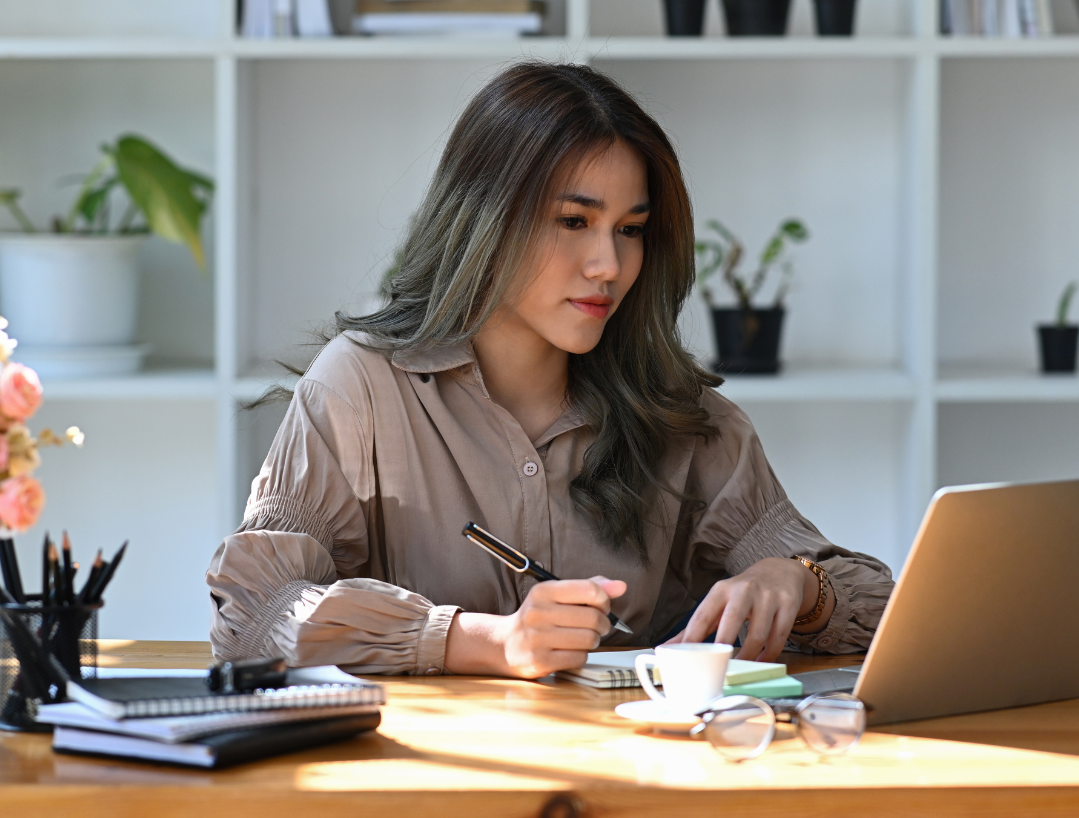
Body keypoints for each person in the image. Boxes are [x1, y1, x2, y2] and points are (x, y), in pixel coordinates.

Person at [207, 62, 894, 679]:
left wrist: (797, 582)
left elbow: (886, 609)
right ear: (486, 219)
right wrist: (483, 640)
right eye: (574, 221)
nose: (609, 265)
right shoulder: (360, 388)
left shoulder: (680, 414)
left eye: (630, 229)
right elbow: (255, 614)